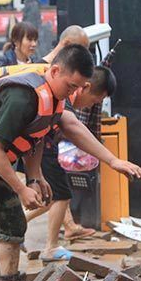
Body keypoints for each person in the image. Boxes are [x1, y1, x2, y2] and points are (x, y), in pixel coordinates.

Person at [0, 44, 141, 281]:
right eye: (71, 86)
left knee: (13, 224)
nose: (74, 93)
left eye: (79, 88)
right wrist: (20, 189)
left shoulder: (55, 99)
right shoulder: (23, 96)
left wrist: (34, 177)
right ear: (55, 71)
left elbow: (36, 137)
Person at [30, 65, 119, 259]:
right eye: (95, 100)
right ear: (84, 87)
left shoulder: (62, 96)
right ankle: (49, 246)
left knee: (52, 196)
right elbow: (73, 127)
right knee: (59, 195)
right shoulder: (61, 96)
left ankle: (19, 226)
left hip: (42, 148)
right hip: (40, 149)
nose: (90, 106)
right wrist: (113, 160)